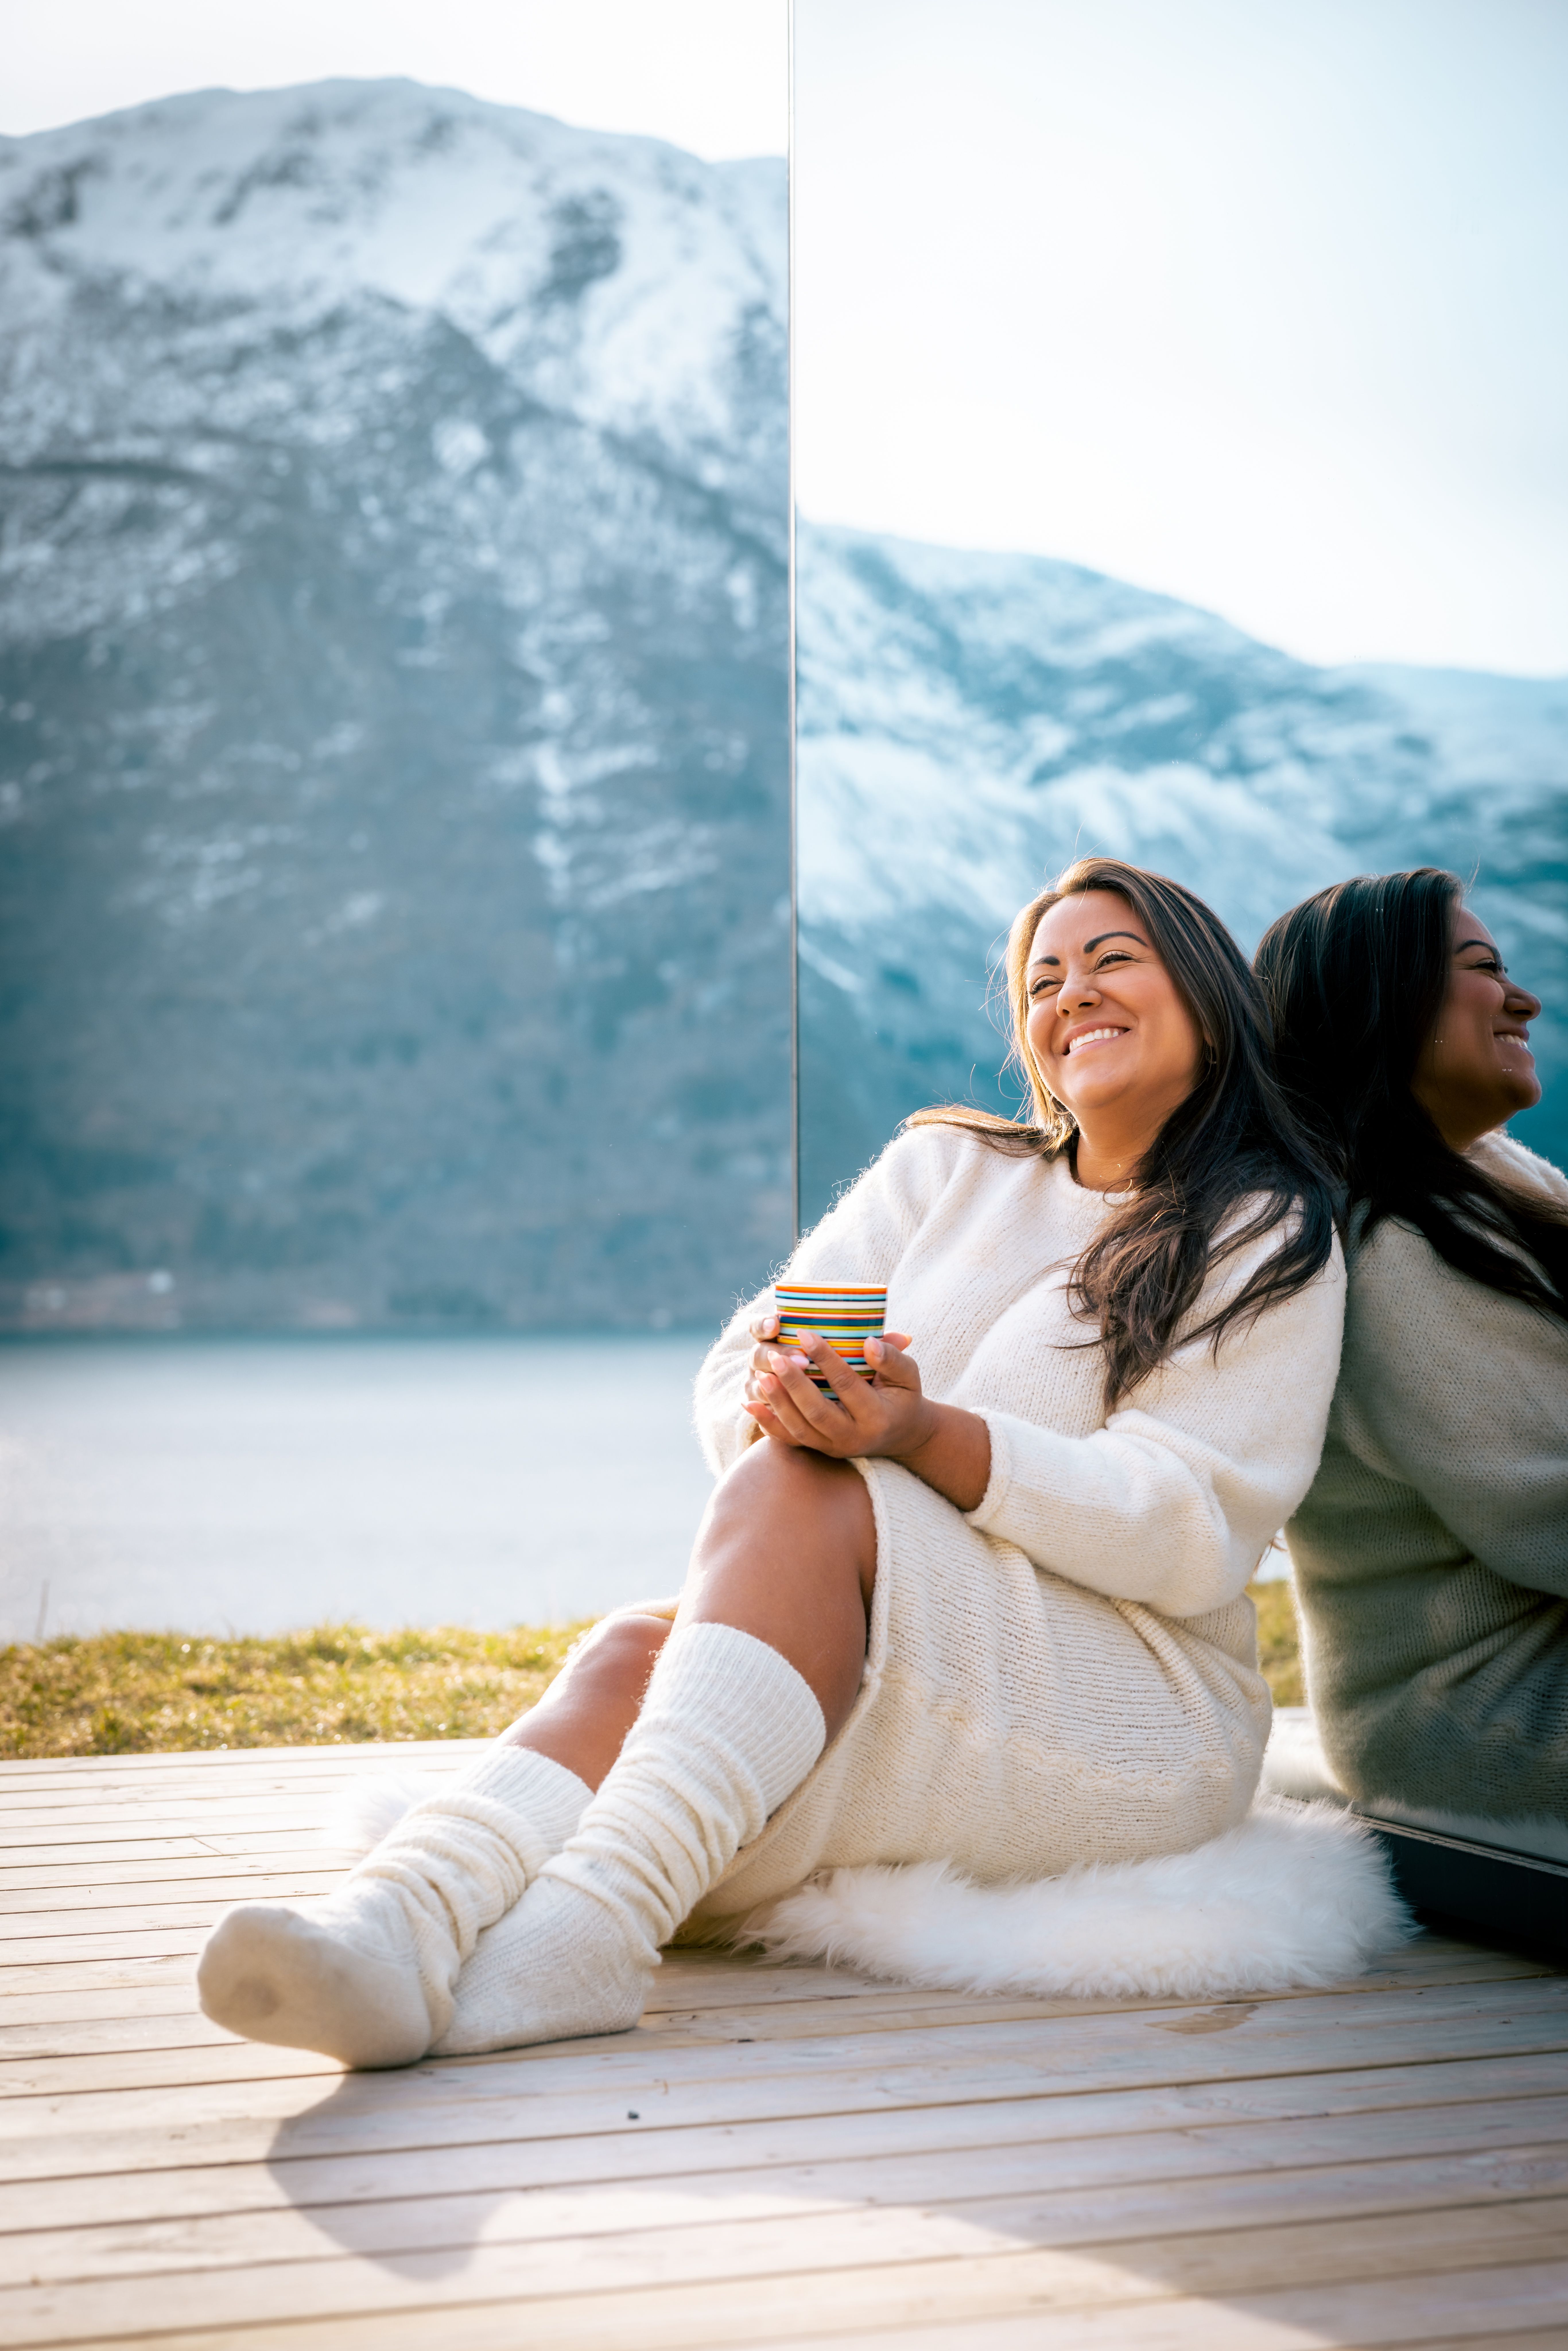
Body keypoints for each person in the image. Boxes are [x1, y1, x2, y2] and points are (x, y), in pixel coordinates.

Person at [199, 858, 1343, 2068]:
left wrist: (916, 1435)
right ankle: (398, 1919)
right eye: (1042, 979)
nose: (1071, 995)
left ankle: (595, 1921)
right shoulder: (945, 1173)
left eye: (1112, 959)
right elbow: (745, 1358)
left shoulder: (1263, 1233)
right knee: (641, 1648)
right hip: (916, 1625)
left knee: (798, 1493)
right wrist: (794, 1403)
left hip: (1134, 1701)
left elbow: (1185, 1525)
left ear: (1208, 993)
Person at [1255, 869, 1568, 1830]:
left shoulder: (1475, 1174)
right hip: (1485, 1715)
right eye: (1482, 970)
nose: (1525, 998)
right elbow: (1552, 1519)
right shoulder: (1399, 1246)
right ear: (1382, 1007)